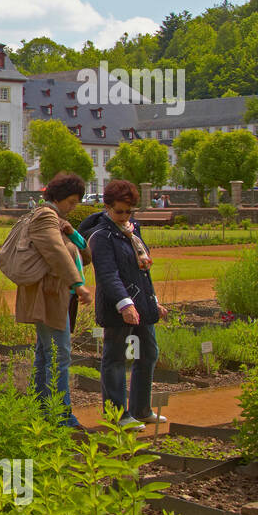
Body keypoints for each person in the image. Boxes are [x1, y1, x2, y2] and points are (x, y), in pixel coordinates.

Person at [80, 180, 168, 428]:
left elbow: (142, 270)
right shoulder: (101, 235)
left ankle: (140, 409)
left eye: (129, 211)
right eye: (119, 211)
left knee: (148, 353)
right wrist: (125, 304)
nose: (124, 216)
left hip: (141, 304)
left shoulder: (132, 229)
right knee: (115, 358)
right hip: (117, 308)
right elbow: (108, 274)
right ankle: (117, 415)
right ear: (107, 207)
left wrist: (154, 301)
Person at [14, 172, 94, 431]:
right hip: (49, 296)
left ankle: (39, 408)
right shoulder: (46, 215)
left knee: (45, 355)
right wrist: (78, 285)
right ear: (58, 198)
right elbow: (55, 251)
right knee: (59, 356)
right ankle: (61, 415)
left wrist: (74, 233)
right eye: (71, 201)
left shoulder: (57, 220)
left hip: (57, 296)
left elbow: (85, 255)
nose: (73, 207)